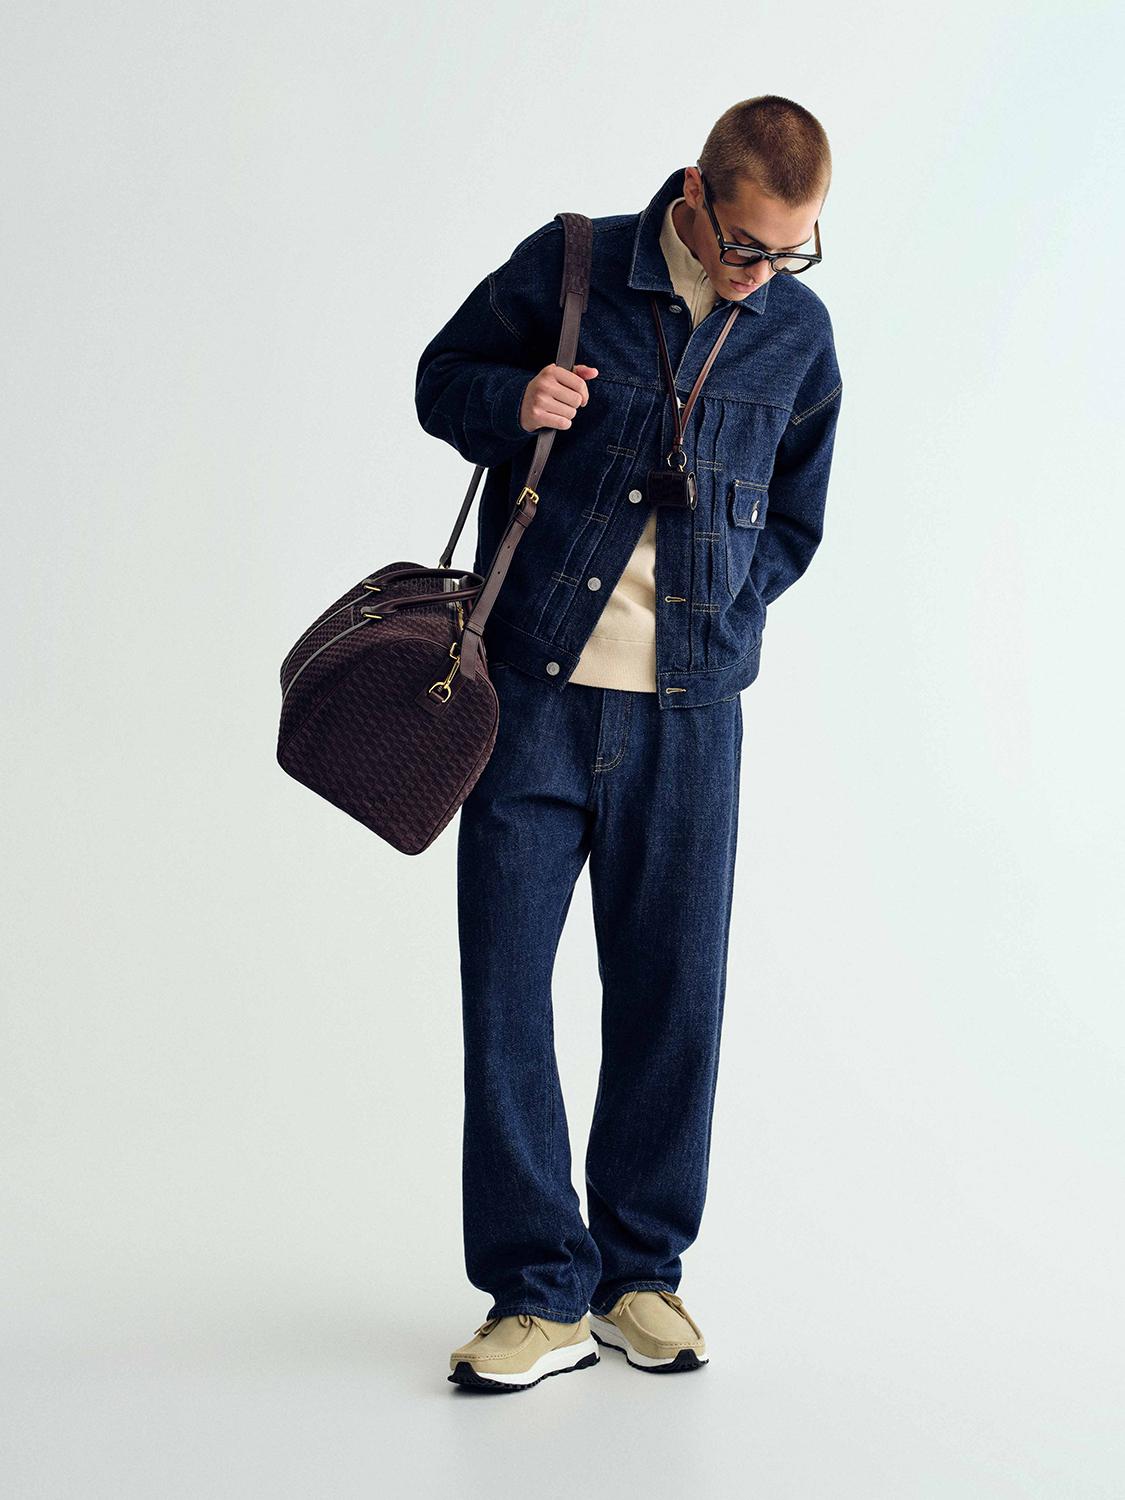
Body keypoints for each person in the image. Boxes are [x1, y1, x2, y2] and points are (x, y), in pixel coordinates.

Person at [414, 94, 843, 1393]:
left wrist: (720, 623)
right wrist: (515, 400)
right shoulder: (572, 266)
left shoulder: (795, 332)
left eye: (792, 250)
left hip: (691, 719)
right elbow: (441, 380)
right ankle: (536, 1293)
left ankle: (637, 1276)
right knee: (506, 993)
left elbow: (797, 516)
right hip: (529, 696)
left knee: (672, 1000)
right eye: (747, 244)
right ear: (694, 196)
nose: (761, 272)